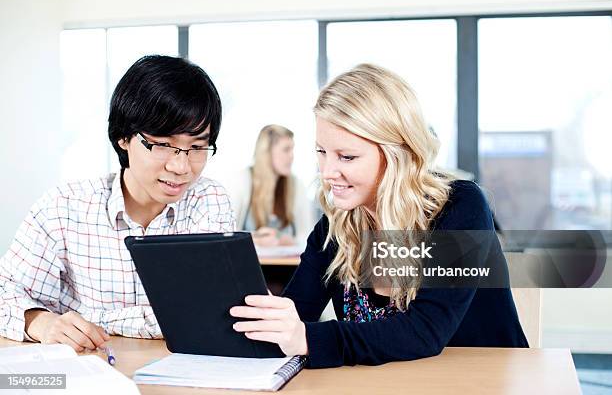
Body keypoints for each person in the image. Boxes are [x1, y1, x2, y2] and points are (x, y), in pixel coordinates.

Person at [230, 64, 528, 368]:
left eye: (347, 156)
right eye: (321, 152)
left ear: (396, 154)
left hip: (481, 382)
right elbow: (296, 314)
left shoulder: (459, 207)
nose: (328, 172)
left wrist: (308, 338)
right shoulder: (335, 226)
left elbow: (425, 331)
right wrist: (268, 315)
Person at [0, 55, 234, 351]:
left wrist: (94, 319)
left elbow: (209, 311)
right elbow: (5, 291)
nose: (181, 167)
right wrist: (41, 322)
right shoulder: (63, 207)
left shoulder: (208, 200)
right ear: (124, 136)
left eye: (197, 147)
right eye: (162, 145)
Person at [226, 124, 314, 247]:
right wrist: (255, 240)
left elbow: (308, 237)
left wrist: (291, 241)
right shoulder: (242, 180)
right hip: (248, 263)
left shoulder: (296, 185)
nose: (292, 156)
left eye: (292, 149)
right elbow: (227, 237)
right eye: (286, 149)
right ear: (267, 152)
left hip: (287, 265)